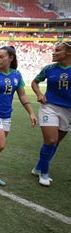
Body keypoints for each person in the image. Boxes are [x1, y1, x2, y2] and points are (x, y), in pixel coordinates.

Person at [0, 46, 37, 187]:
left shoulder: (17, 74)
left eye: (1, 57)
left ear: (11, 58)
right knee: (0, 145)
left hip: (6, 114)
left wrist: (31, 112)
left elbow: (22, 94)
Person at [31, 41, 71, 187]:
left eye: (58, 50)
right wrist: (39, 93)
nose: (54, 53)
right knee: (51, 140)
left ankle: (38, 167)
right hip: (49, 107)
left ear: (68, 52)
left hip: (68, 111)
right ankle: (44, 173)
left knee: (55, 142)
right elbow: (35, 82)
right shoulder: (49, 68)